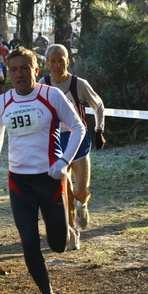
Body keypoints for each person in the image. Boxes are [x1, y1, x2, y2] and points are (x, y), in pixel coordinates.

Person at [0, 47, 85, 294]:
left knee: (57, 245)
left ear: (36, 71)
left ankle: (67, 225)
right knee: (29, 242)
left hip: (50, 179)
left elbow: (78, 128)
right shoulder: (3, 101)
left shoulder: (50, 95)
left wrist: (64, 162)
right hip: (19, 182)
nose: (19, 74)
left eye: (25, 69)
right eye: (14, 70)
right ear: (9, 73)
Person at [39, 44, 106, 230]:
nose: (57, 65)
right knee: (65, 191)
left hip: (78, 139)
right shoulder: (42, 84)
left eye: (61, 60)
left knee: (80, 190)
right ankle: (71, 232)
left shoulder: (79, 84)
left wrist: (99, 129)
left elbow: (98, 105)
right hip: (55, 140)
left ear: (68, 61)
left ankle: (82, 205)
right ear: (47, 64)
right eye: (53, 61)